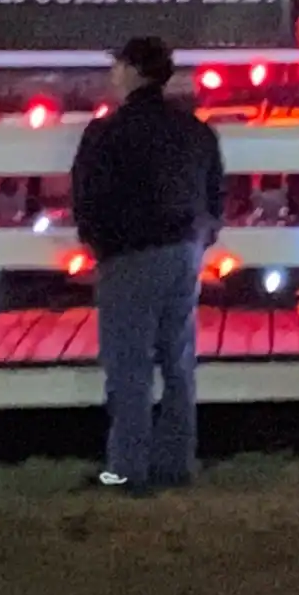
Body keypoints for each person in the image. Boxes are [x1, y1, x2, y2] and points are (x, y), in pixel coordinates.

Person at [71, 37, 223, 492]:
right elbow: (215, 191)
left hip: (131, 254)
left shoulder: (107, 132)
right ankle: (176, 463)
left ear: (134, 72)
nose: (113, 74)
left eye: (118, 66)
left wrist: (99, 245)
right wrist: (201, 236)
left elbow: (88, 197)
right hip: (183, 250)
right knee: (177, 360)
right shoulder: (194, 129)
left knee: (129, 365)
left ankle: (126, 469)